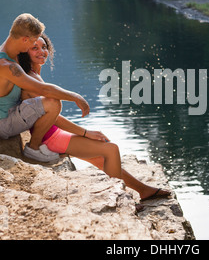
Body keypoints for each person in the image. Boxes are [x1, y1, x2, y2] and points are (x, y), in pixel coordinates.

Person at [18, 33, 171, 202]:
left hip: (54, 134)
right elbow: (55, 119)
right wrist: (85, 132)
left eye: (44, 47)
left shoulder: (34, 75)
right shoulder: (31, 79)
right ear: (26, 53)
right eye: (35, 48)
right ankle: (120, 200)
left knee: (100, 158)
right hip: (50, 139)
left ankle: (143, 190)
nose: (42, 51)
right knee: (110, 149)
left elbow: (52, 116)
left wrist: (84, 133)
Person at [0, 13, 90, 162]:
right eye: (32, 43)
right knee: (52, 102)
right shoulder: (5, 66)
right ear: (25, 39)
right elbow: (44, 90)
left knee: (45, 101)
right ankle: (33, 149)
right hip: (4, 124)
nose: (31, 47)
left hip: (5, 115)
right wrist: (76, 98)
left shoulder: (7, 51)